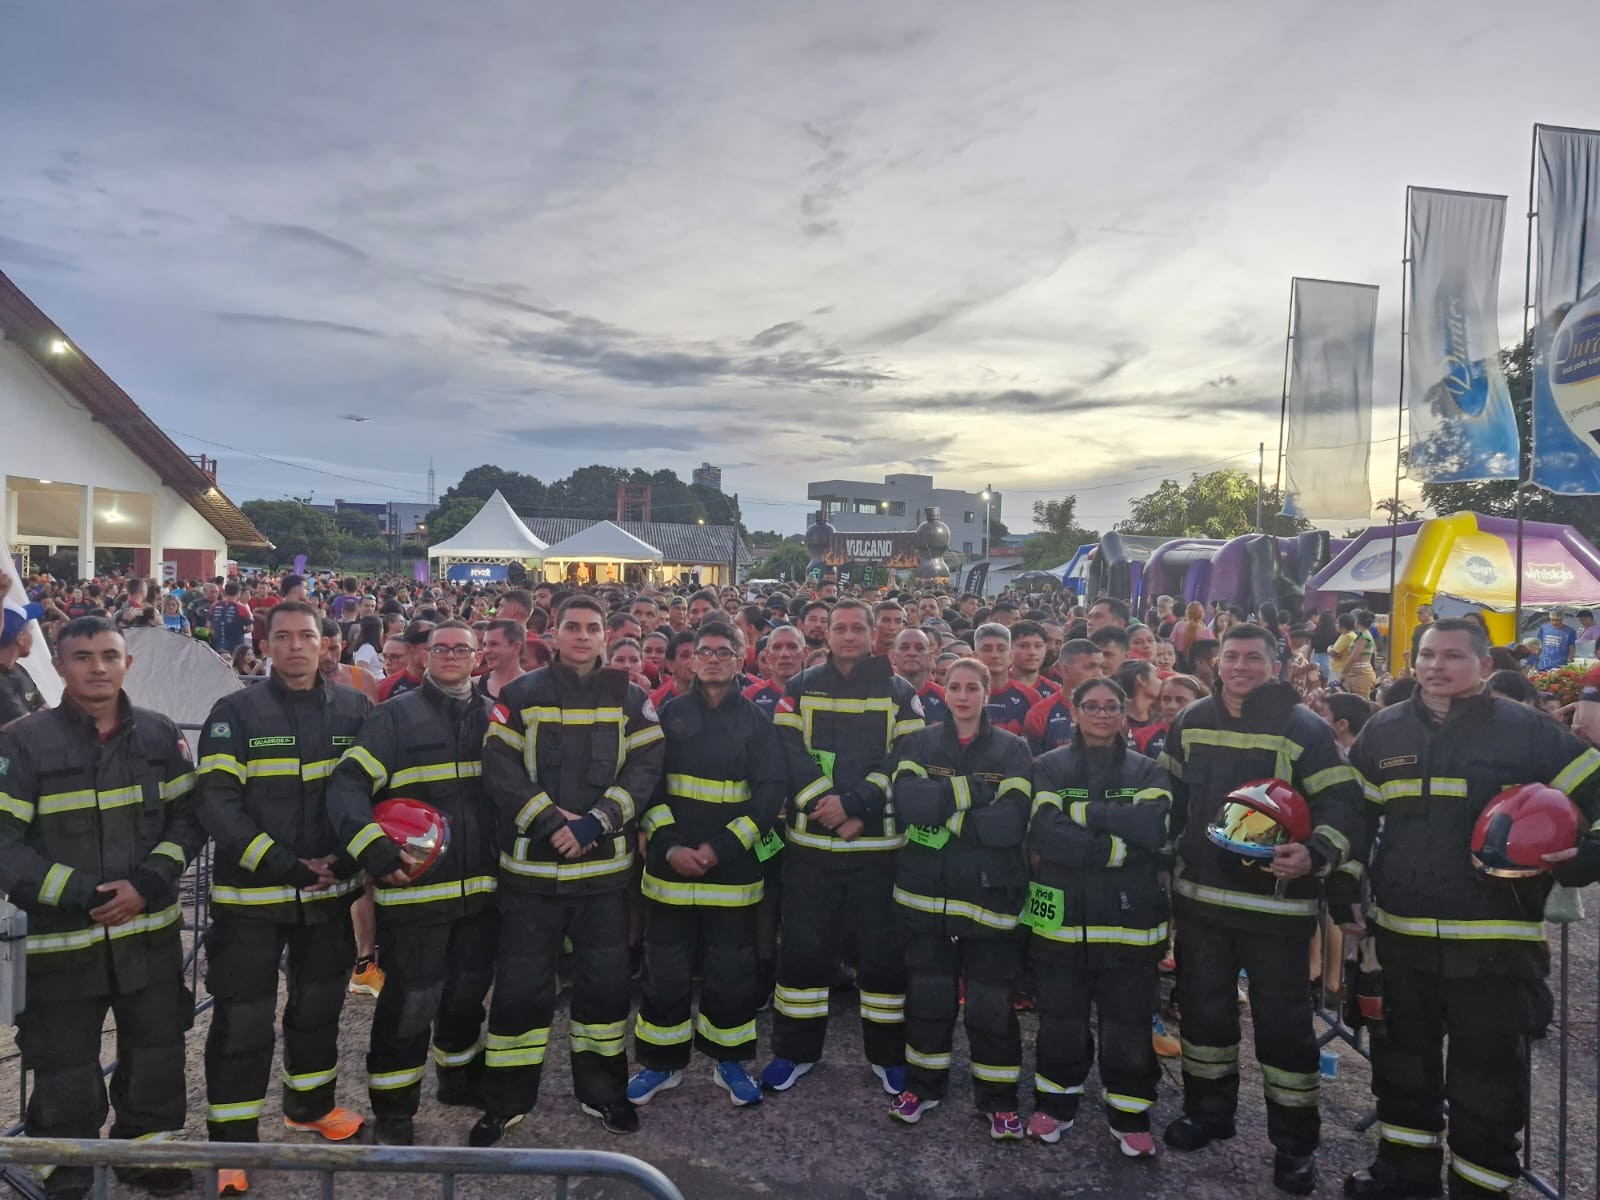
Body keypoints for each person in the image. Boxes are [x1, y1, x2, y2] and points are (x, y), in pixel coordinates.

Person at [1329, 619, 1600, 1199]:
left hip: (1495, 948)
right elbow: (1354, 818)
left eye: (1452, 656)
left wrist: (1586, 856)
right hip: (1402, 941)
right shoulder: (1386, 730)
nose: (1435, 666)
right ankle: (1404, 1176)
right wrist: (1343, 883)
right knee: (1402, 1072)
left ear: (1481, 664)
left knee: (1489, 1084)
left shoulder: (1528, 731)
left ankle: (1480, 1187)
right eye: (1427, 655)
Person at [0, 616, 204, 1200]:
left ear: (127, 664)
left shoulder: (161, 735)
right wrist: (79, 893)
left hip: (147, 934)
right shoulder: (21, 741)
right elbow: (4, 843)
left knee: (157, 1051)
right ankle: (66, 1164)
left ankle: (150, 1157)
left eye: (109, 656)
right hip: (62, 944)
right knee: (64, 1062)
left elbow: (187, 818)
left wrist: (151, 881)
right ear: (59, 666)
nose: (98, 667)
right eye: (83, 657)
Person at [1157, 624, 1364, 1195]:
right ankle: (1208, 1114)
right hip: (1200, 905)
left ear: (1275, 664)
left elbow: (1343, 803)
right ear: (1215, 663)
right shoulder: (1192, 720)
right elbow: (1168, 798)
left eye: (1253, 657)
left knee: (1285, 1032)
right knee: (1204, 1021)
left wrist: (1317, 852)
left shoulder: (1304, 728)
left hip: (1277, 912)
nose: (1241, 666)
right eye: (1231, 657)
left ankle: (1296, 1146)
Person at [195, 601, 374, 1193]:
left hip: (327, 896)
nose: (296, 646)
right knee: (243, 1025)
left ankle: (310, 1107)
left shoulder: (355, 708)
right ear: (264, 645)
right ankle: (232, 1148)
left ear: (328, 644)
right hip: (252, 900)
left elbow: (372, 793)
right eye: (283, 637)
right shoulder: (234, 712)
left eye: (308, 636)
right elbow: (218, 803)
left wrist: (347, 860)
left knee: (318, 1011)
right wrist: (283, 865)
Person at [479, 595, 665, 1138]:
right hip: (531, 877)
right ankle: (506, 1101)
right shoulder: (518, 695)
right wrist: (547, 820)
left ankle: (604, 1095)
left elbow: (647, 768)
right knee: (518, 991)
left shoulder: (631, 699)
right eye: (572, 627)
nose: (582, 636)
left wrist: (596, 822)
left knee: (604, 994)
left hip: (603, 878)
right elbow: (499, 767)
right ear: (553, 634)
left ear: (606, 636)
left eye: (592, 628)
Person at [325, 621, 500, 1147]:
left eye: (461, 648)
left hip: (481, 892)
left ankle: (458, 1079)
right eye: (440, 648)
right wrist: (371, 848)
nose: (451, 656)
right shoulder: (394, 717)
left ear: (477, 658)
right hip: (416, 893)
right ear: (424, 656)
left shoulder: (494, 718)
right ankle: (395, 1109)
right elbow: (348, 784)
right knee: (411, 1003)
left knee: (468, 995)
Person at [763, 599, 925, 1095]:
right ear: (827, 635)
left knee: (882, 956)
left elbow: (905, 759)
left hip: (878, 851)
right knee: (803, 953)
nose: (849, 635)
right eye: (840, 628)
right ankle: (794, 1052)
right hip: (811, 849)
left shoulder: (900, 693)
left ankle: (887, 1056)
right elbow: (787, 755)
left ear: (874, 633)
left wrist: (857, 805)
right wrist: (828, 808)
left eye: (859, 627)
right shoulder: (800, 687)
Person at [627, 622, 786, 1108]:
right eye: (704, 652)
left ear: (741, 660)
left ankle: (729, 1060)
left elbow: (768, 796)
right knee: (665, 971)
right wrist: (670, 845)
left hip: (732, 873)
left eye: (724, 652)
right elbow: (647, 786)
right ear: (689, 661)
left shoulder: (758, 722)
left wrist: (721, 848)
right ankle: (660, 1063)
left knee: (731, 971)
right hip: (669, 870)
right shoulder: (668, 714)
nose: (714, 659)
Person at [886, 658, 1032, 1138]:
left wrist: (944, 810)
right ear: (943, 692)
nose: (964, 695)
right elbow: (908, 804)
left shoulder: (1013, 749)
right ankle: (923, 1088)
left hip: (990, 897)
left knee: (990, 1005)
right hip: (925, 894)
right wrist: (975, 795)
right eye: (955, 687)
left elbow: (1010, 825)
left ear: (987, 692)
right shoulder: (919, 741)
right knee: (928, 999)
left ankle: (998, 1099)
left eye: (973, 687)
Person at [1027, 676, 1172, 1156]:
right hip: (1060, 920)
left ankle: (1130, 1113)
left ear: (1125, 711)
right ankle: (1056, 1103)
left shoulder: (1148, 769)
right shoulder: (1046, 767)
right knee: (1060, 1019)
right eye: (1092, 706)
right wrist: (1116, 843)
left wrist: (1084, 815)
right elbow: (1046, 833)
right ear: (1076, 711)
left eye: (1112, 706)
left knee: (1128, 1023)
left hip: (1130, 922)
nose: (1103, 714)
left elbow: (1151, 829)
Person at [1023, 638, 1104, 754]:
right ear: (1065, 671)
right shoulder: (1040, 713)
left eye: (1101, 667)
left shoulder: (1112, 710)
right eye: (1090, 667)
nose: (1099, 674)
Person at [974, 623, 1040, 736]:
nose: (995, 655)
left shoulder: (1031, 697)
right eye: (987, 649)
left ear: (1010, 656)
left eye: (1001, 649)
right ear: (974, 657)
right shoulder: (961, 695)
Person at [0, 592, 47, 724]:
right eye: (30, 630)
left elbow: (44, 710)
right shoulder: (2, 683)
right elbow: (28, 730)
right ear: (20, 637)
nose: (32, 636)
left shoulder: (18, 668)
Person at [744, 624, 806, 720]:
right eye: (777, 647)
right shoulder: (749, 696)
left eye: (792, 647)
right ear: (768, 655)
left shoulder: (819, 693)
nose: (784, 654)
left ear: (804, 654)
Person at [890, 626, 948, 724]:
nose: (912, 653)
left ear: (930, 656)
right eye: (904, 648)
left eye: (919, 648)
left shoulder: (944, 697)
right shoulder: (880, 695)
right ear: (893, 656)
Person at [477, 618, 527, 702]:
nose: (486, 650)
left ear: (516, 647)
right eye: (485, 644)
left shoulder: (535, 688)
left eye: (494, 644)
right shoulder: (474, 686)